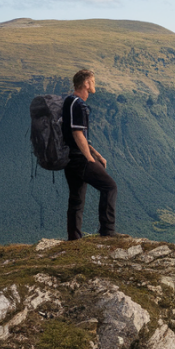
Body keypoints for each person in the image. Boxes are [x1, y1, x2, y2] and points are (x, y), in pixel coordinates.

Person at [63, 69, 118, 239]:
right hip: (80, 160)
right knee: (110, 187)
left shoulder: (69, 102)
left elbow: (80, 136)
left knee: (76, 201)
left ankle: (74, 240)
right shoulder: (78, 104)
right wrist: (90, 159)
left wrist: (98, 155)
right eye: (93, 81)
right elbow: (77, 134)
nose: (95, 84)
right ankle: (107, 232)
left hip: (69, 160)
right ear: (86, 84)